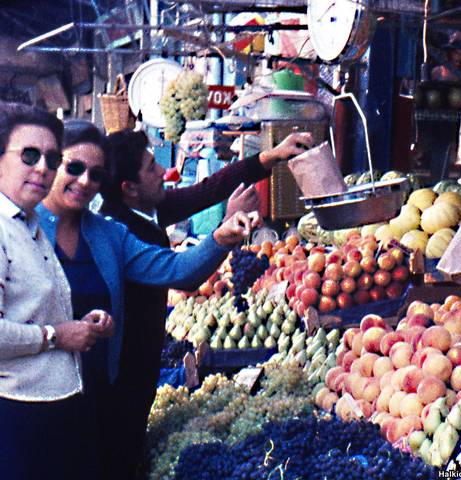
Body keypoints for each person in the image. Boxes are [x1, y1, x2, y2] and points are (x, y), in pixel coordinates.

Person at [36, 120, 260, 479]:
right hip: (33, 400)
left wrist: (223, 236)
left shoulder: (109, 234)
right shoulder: (19, 229)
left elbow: (177, 270)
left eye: (94, 175)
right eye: (73, 168)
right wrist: (55, 335)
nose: (83, 182)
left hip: (100, 396)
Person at [100, 128, 313, 479]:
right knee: (120, 457)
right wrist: (223, 235)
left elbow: (207, 190)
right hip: (123, 372)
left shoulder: (146, 208)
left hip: (142, 363)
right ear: (129, 188)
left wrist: (270, 157)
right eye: (151, 166)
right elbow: (182, 275)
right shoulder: (119, 229)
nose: (161, 172)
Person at [0, 102, 112, 480]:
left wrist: (79, 325)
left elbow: (28, 308)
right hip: (2, 425)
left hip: (41, 420)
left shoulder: (25, 221)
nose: (42, 168)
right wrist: (57, 336)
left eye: (51, 158)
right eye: (29, 156)